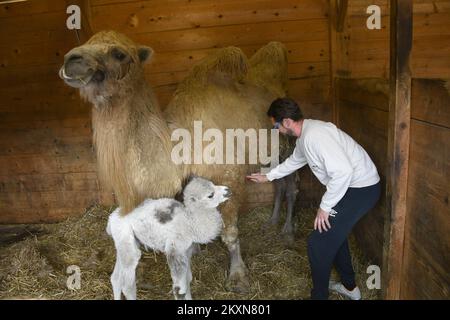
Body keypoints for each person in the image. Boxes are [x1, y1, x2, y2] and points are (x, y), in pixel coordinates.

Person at [246, 97, 381, 300]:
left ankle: (319, 296)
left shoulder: (314, 137)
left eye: (276, 126)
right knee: (332, 233)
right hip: (351, 187)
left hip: (361, 189)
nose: (277, 131)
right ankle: (350, 287)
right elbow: (295, 161)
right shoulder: (306, 135)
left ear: (287, 122)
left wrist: (324, 207)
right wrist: (268, 176)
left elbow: (343, 172)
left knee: (318, 242)